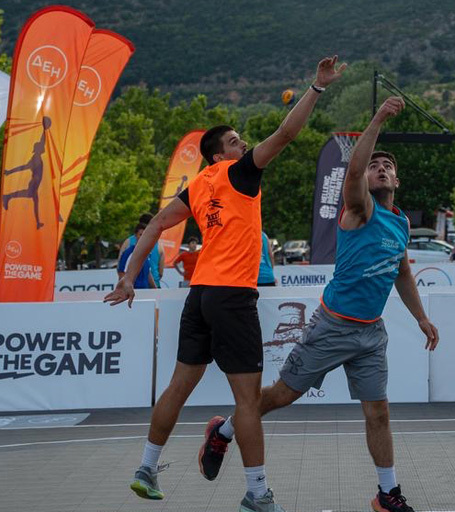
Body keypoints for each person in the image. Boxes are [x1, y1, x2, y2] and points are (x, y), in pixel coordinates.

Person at [105, 55, 347, 512]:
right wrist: (316, 87)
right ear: (221, 154)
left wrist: (127, 276)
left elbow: (156, 225)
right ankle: (257, 493)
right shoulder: (242, 172)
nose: (245, 144)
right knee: (248, 401)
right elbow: (288, 134)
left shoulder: (197, 186)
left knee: (179, 386)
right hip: (233, 297)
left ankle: (146, 467)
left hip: (199, 297)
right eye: (237, 141)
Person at [198, 97, 439, 512]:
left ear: (397, 181)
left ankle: (387, 494)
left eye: (388, 167)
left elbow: (401, 273)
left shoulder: (399, 223)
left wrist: (421, 317)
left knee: (378, 412)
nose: (380, 169)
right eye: (374, 166)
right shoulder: (359, 210)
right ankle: (225, 430)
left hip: (370, 333)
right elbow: (355, 170)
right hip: (332, 327)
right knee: (279, 397)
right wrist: (378, 117)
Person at [118, 224, 159, 289]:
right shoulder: (129, 253)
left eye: (145, 235)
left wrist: (155, 289)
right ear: (135, 236)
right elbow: (121, 273)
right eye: (140, 235)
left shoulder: (146, 253)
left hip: (145, 292)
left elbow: (148, 273)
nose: (143, 237)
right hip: (133, 292)